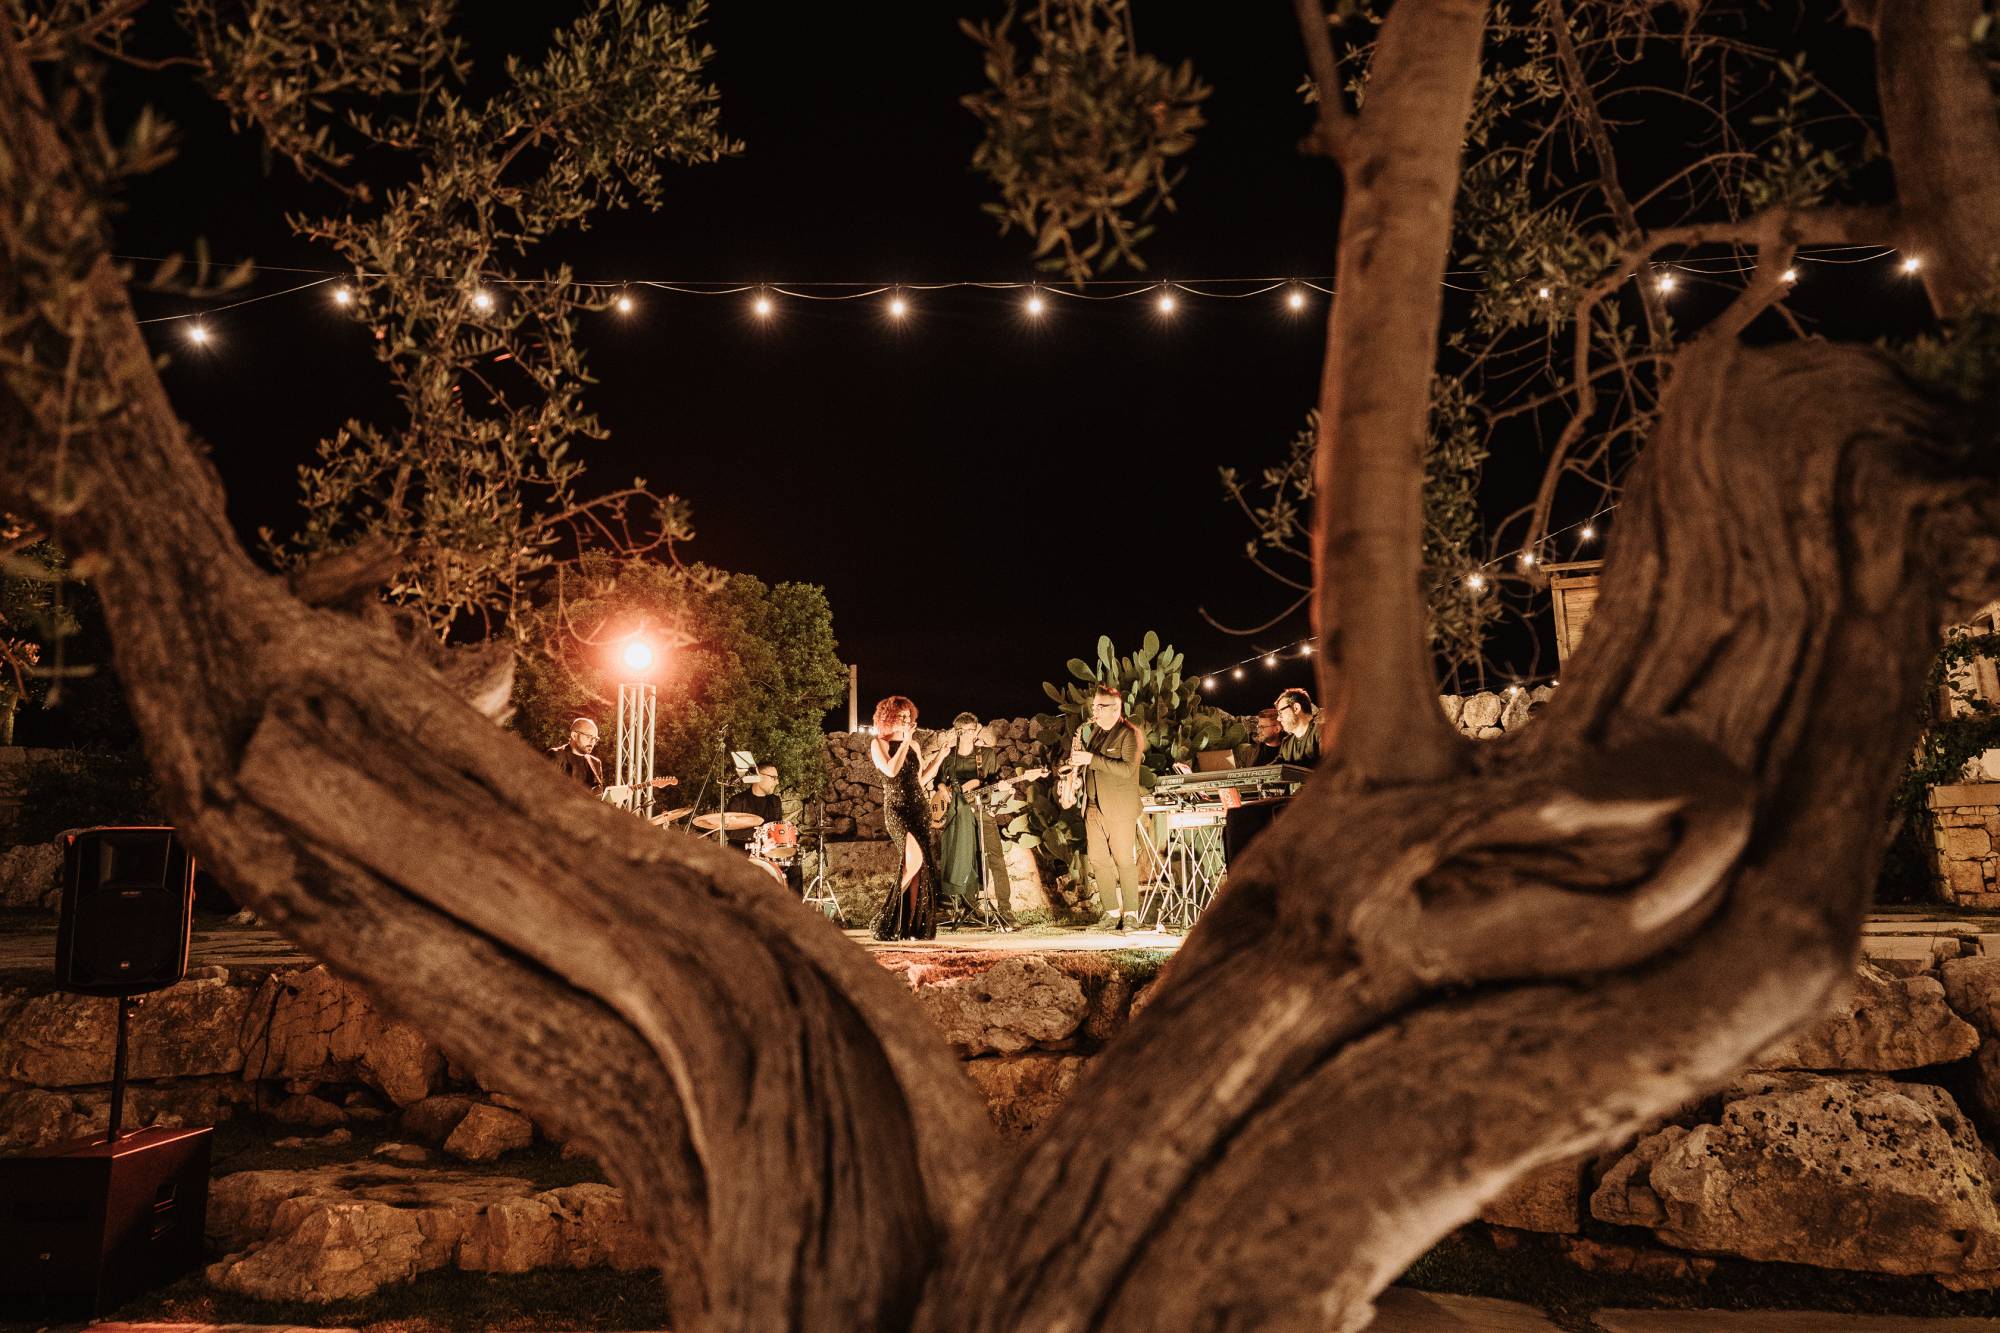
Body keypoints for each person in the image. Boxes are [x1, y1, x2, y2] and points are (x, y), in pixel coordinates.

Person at [1070, 684, 1145, 931]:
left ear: (1115, 708)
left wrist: (1091, 759)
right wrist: (1078, 779)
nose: (1094, 712)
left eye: (1099, 707)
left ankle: (1131, 914)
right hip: (1093, 807)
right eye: (1093, 707)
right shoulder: (1096, 732)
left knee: (1124, 860)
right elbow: (1093, 769)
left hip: (1119, 808)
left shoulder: (1129, 734)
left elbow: (1127, 769)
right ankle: (1111, 913)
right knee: (1098, 861)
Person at [870, 696, 945, 939]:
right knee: (913, 861)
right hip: (897, 810)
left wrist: (940, 758)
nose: (905, 720)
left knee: (919, 869)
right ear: (888, 717)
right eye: (900, 716)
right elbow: (891, 771)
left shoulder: (913, 746)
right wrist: (905, 741)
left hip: (918, 809)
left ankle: (911, 926)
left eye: (907, 716)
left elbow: (920, 780)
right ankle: (886, 916)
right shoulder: (878, 744)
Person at [935, 712, 996, 915]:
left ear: (976, 730)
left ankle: (972, 903)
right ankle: (955, 903)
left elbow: (992, 782)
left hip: (976, 809)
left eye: (971, 730)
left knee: (976, 855)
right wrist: (943, 789)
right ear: (957, 732)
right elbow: (938, 781)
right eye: (963, 731)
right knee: (954, 854)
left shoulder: (984, 755)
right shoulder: (949, 756)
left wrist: (977, 786)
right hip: (954, 810)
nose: (968, 734)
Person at [548, 718, 604, 793]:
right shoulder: (556, 755)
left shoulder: (595, 763)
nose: (592, 742)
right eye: (588, 737)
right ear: (574, 735)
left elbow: (599, 793)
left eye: (595, 739)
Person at [1275, 687, 1321, 763]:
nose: (1278, 719)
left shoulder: (1322, 732)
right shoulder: (1286, 743)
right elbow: (1275, 767)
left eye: (1280, 713)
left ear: (1296, 708)